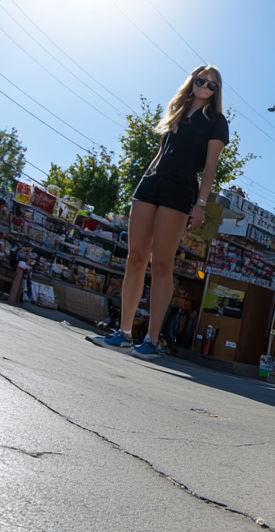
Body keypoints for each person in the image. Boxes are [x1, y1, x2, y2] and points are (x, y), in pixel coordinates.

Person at [91, 66, 228, 356]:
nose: (205, 86)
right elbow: (161, 151)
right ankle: (124, 333)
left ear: (216, 92)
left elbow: (211, 166)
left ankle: (151, 340)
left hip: (180, 190)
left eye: (212, 85)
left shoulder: (216, 122)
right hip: (150, 185)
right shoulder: (177, 110)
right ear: (193, 81)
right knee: (135, 258)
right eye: (201, 80)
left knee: (162, 263)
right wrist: (148, 175)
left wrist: (201, 204)